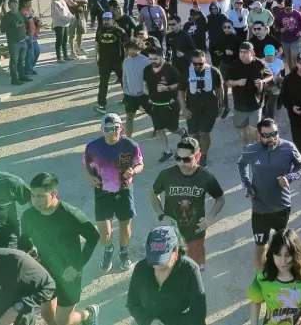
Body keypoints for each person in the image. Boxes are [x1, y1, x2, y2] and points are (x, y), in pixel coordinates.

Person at [21, 172, 101, 325]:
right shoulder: (28, 216)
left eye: (41, 196)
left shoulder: (71, 214)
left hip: (69, 271)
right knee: (46, 314)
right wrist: (28, 251)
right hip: (45, 270)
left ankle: (89, 314)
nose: (35, 201)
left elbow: (93, 236)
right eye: (33, 196)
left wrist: (77, 266)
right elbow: (24, 239)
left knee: (63, 320)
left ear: (54, 193)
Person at [238, 118, 301, 271]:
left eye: (274, 134)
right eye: (266, 135)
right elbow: (241, 164)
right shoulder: (250, 149)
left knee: (281, 244)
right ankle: (261, 278)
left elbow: (300, 165)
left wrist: (289, 177)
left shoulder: (288, 147)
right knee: (260, 247)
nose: (271, 138)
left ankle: (281, 273)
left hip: (281, 206)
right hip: (259, 208)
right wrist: (247, 185)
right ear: (259, 135)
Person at [151, 135, 225, 273]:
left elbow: (220, 199)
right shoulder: (166, 175)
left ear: (197, 157)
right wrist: (161, 215)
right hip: (170, 233)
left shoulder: (206, 177)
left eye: (186, 159)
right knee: (169, 270)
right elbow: (153, 194)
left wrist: (210, 217)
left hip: (196, 233)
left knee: (194, 270)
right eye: (177, 158)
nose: (180, 163)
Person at [82, 113, 144, 272]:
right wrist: (89, 177)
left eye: (115, 128)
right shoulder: (92, 147)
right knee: (105, 232)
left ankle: (123, 252)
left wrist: (133, 171)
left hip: (124, 191)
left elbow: (140, 164)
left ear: (121, 128)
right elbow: (86, 165)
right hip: (102, 192)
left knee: (125, 227)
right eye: (107, 129)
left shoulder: (131, 145)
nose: (111, 132)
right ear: (102, 130)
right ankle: (108, 250)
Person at [126, 226, 208, 325]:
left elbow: (198, 315)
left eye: (162, 258)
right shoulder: (141, 268)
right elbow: (132, 302)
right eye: (153, 257)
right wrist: (148, 321)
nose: (156, 264)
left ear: (176, 251)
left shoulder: (190, 270)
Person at [248, 228, 301, 325]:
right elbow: (255, 302)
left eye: (287, 255)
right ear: (272, 254)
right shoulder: (263, 277)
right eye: (278, 255)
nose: (282, 261)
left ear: (296, 254)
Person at [177, 49, 224, 167]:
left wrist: (221, 104)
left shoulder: (214, 71)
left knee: (204, 134)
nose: (198, 66)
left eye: (201, 63)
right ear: (191, 62)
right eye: (195, 64)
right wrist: (183, 108)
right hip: (192, 108)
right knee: (194, 135)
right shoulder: (186, 72)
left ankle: (203, 155)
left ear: (205, 60)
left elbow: (219, 87)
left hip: (209, 108)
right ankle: (196, 152)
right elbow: (181, 91)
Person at [227, 42, 275, 145]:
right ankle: (246, 147)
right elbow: (227, 82)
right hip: (240, 105)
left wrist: (263, 82)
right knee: (242, 130)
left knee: (255, 130)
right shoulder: (234, 65)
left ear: (252, 53)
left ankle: (255, 147)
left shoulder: (260, 64)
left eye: (245, 52)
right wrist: (237, 82)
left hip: (256, 104)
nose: (242, 55)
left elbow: (270, 75)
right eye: (240, 52)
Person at [142, 46, 182, 162]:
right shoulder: (147, 70)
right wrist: (145, 90)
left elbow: (181, 84)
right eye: (150, 59)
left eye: (155, 59)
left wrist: (167, 88)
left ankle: (183, 132)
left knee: (173, 129)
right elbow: (144, 82)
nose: (152, 61)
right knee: (159, 130)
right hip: (155, 105)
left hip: (170, 105)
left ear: (162, 56)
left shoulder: (170, 69)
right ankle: (167, 151)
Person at [93, 11, 126, 114]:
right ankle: (102, 105)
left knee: (124, 80)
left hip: (118, 61)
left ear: (112, 20)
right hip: (104, 61)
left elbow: (126, 46)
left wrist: (126, 60)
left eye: (108, 19)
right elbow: (96, 45)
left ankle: (129, 98)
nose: (106, 21)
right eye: (104, 20)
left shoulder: (119, 31)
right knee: (103, 83)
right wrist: (96, 58)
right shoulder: (100, 31)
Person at [1, 0, 31, 85]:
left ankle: (22, 76)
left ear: (18, 6)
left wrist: (28, 35)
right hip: (13, 42)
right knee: (14, 60)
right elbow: (2, 30)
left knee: (21, 60)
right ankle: (14, 79)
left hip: (23, 40)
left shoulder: (20, 14)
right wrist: (14, 26)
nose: (14, 7)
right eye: (11, 6)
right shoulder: (6, 17)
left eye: (15, 5)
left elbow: (28, 23)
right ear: (9, 7)